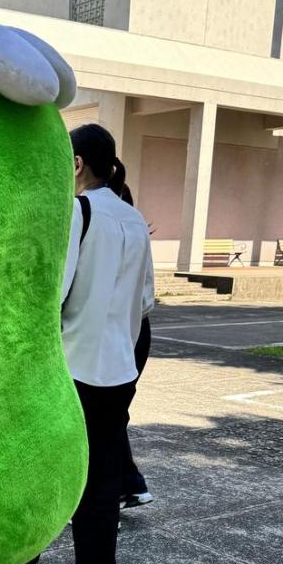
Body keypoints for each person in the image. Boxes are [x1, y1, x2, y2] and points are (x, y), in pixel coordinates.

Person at [15, 124, 154, 564]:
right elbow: (146, 300)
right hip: (119, 364)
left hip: (72, 362)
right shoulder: (133, 218)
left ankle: (26, 551)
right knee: (103, 469)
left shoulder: (78, 211)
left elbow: (55, 290)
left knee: (45, 457)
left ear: (76, 164)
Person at [108, 160, 153, 509]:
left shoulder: (88, 220)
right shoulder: (135, 225)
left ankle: (115, 494)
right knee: (113, 415)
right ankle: (131, 485)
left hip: (112, 332)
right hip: (134, 330)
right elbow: (147, 299)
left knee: (102, 419)